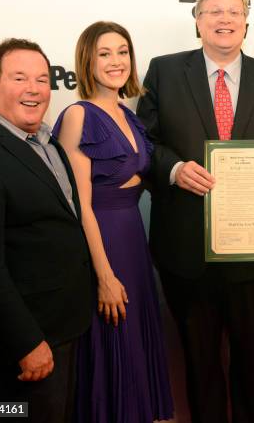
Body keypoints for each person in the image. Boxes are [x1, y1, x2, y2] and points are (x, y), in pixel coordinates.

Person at [137, 0, 254, 423]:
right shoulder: (164, 72)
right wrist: (174, 170)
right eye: (213, 11)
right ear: (197, 21)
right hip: (187, 250)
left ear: (247, 20)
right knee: (200, 361)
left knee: (251, 360)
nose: (224, 19)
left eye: (233, 10)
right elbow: (145, 143)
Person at [0, 39, 92, 422]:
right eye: (19, 77)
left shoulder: (48, 144)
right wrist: (26, 343)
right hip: (18, 347)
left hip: (62, 330)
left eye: (42, 79)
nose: (34, 88)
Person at [54, 21, 173, 422]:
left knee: (134, 346)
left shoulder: (127, 112)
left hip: (134, 246)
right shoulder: (78, 115)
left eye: (122, 51)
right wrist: (104, 275)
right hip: (104, 247)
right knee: (111, 349)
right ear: (87, 60)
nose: (116, 61)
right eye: (104, 53)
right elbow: (80, 206)